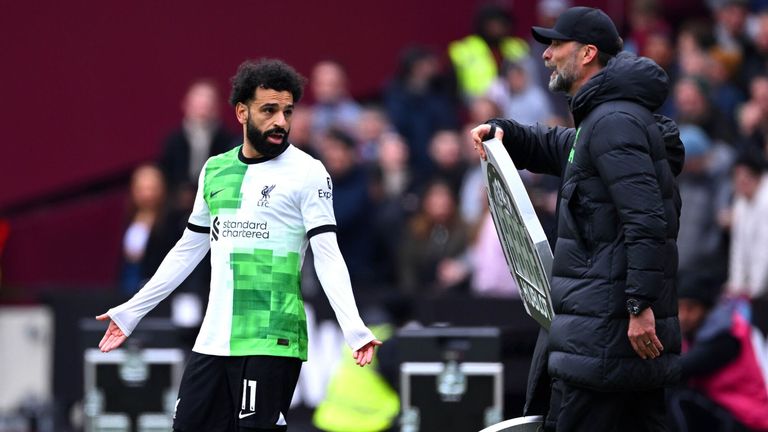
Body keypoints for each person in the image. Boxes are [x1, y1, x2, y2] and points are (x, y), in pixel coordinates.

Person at [96, 59, 381, 432]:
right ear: (242, 112)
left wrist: (353, 326)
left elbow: (327, 256)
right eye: (269, 110)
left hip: (272, 336)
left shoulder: (309, 173)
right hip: (215, 337)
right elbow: (188, 250)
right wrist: (133, 311)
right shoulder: (215, 170)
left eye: (287, 111)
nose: (281, 120)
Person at [470, 7, 683, 431]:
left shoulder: (613, 121)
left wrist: (638, 304)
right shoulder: (606, 118)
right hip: (608, 340)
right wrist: (507, 133)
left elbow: (646, 221)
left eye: (555, 45)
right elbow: (562, 146)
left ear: (587, 54)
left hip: (604, 339)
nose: (545, 56)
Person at [669, 271, 768, 432]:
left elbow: (680, 368)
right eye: (680, 307)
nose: (684, 316)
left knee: (677, 397)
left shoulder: (724, 335)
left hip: (746, 421)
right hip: (723, 411)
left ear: (706, 309)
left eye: (691, 308)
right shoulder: (694, 332)